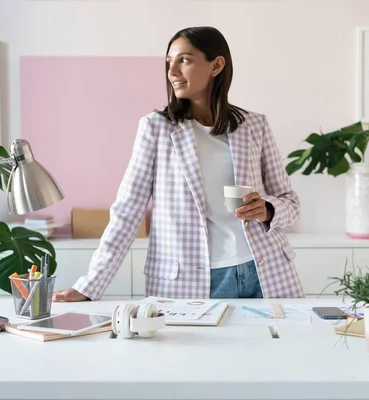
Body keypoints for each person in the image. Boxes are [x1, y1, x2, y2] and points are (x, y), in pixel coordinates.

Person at [53, 26, 303, 302]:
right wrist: (89, 286)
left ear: (216, 65)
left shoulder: (254, 125)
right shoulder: (156, 129)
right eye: (169, 62)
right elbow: (127, 212)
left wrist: (267, 209)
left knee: (276, 345)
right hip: (190, 281)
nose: (172, 72)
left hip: (264, 272)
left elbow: (290, 202)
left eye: (184, 60)